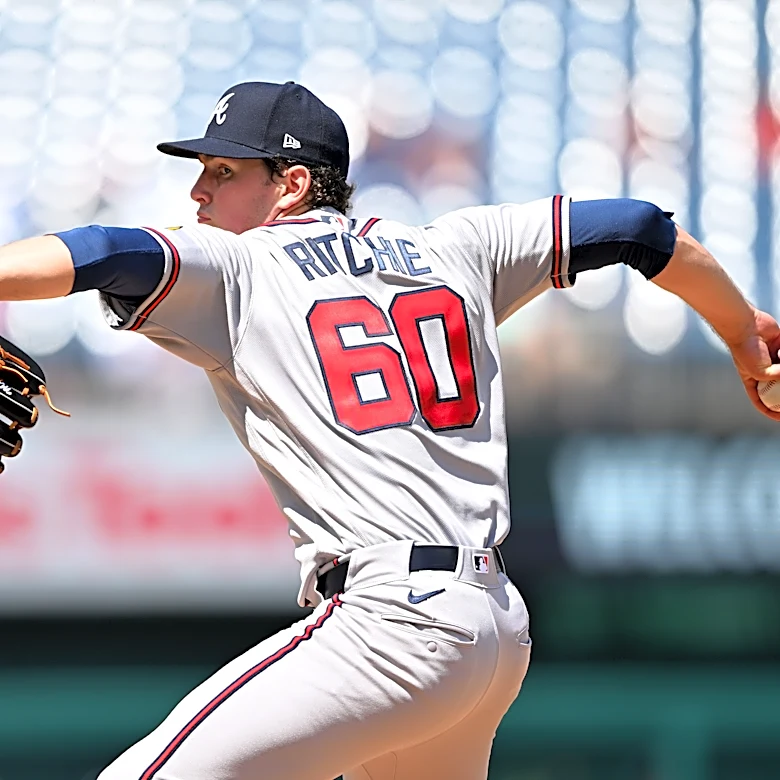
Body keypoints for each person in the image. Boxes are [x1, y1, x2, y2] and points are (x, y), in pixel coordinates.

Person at [1, 81, 780, 780]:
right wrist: (742, 333)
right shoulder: (458, 247)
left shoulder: (240, 267)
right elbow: (641, 227)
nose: (199, 191)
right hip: (495, 629)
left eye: (225, 172)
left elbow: (105, 250)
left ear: (293, 185)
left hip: (389, 621)